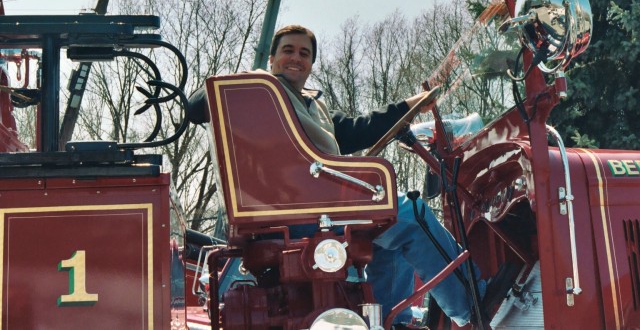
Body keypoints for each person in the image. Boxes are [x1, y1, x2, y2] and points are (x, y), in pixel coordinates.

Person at [189, 25, 514, 329]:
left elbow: (357, 129)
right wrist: (241, 87)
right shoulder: (258, 91)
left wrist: (409, 106)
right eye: (288, 50)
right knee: (410, 216)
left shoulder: (313, 107)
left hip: (317, 205)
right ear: (271, 59)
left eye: (304, 53)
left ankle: (391, 320)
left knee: (387, 227)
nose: (296, 58)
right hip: (293, 212)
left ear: (311, 64)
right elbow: (198, 106)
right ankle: (475, 304)